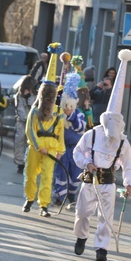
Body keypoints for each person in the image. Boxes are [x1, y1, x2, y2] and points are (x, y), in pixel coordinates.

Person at [73, 49, 131, 261]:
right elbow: (77, 152)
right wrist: (86, 163)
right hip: (90, 179)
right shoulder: (92, 134)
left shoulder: (123, 141)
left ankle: (101, 248)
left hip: (108, 181)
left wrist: (129, 184)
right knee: (82, 212)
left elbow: (128, 164)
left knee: (106, 216)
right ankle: (81, 237)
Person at [23, 43, 65, 217]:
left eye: (51, 94)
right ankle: (29, 198)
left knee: (47, 176)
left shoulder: (59, 113)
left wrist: (61, 150)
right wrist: (39, 146)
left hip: (53, 149)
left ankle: (44, 205)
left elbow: (60, 133)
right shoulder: (34, 111)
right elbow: (29, 131)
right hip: (36, 147)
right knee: (31, 174)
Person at [52, 72, 86, 207]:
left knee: (75, 172)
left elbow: (81, 128)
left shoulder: (79, 114)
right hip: (61, 148)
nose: (68, 109)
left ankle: (72, 194)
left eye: (71, 106)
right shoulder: (58, 114)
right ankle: (59, 196)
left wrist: (71, 116)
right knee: (60, 172)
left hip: (75, 148)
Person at [14, 76, 36, 173]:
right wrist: (26, 119)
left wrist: (29, 98)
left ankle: (29, 162)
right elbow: (20, 109)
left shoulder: (35, 96)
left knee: (30, 143)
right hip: (22, 122)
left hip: (32, 123)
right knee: (20, 140)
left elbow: (35, 107)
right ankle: (20, 163)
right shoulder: (19, 96)